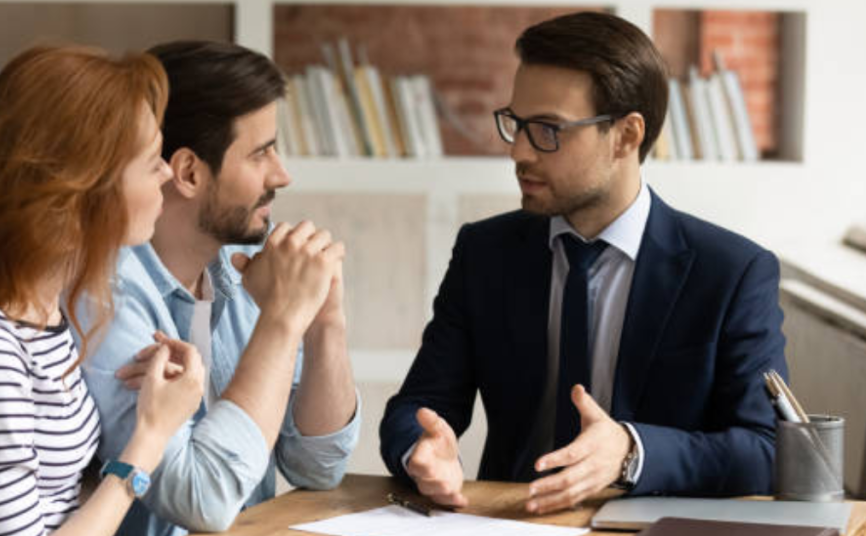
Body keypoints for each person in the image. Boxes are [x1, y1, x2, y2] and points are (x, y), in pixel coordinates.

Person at [380, 11, 788, 515]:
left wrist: (632, 452)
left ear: (626, 136)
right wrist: (420, 450)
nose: (520, 152)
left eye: (549, 130)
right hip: (508, 521)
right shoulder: (484, 253)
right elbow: (418, 405)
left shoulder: (731, 272)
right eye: (517, 124)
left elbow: (766, 451)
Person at [0, 44, 207, 536]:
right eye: (151, 159)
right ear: (77, 190)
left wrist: (147, 411)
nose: (166, 174)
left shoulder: (40, 314)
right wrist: (152, 434)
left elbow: (53, 501)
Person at [77, 41, 360, 535]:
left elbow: (318, 466)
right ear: (188, 172)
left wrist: (324, 324)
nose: (283, 174)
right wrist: (282, 320)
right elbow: (201, 500)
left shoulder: (248, 265)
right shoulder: (106, 294)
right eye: (261, 153)